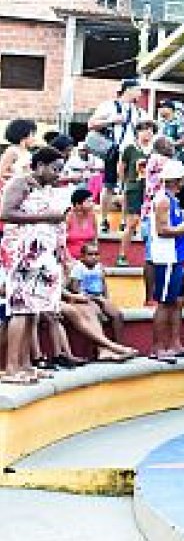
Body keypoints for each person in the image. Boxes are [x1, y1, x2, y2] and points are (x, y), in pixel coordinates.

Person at [1, 147, 70, 384]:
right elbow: (6, 213)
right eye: (54, 169)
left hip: (41, 258)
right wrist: (45, 218)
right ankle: (11, 368)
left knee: (32, 311)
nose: (58, 175)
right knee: (20, 309)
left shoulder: (45, 189)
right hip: (22, 256)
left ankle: (25, 364)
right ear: (39, 165)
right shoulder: (20, 183)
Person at [147, 161, 184, 361]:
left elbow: (175, 224)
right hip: (167, 258)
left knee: (179, 300)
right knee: (165, 302)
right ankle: (158, 347)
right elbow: (163, 230)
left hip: (176, 256)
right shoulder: (163, 200)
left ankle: (174, 343)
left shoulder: (171, 199)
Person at [88, 81, 147, 233]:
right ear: (128, 90)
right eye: (137, 89)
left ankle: (124, 221)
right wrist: (110, 120)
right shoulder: (109, 106)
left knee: (128, 187)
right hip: (113, 150)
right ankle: (103, 219)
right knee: (109, 185)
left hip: (132, 153)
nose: (139, 93)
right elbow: (91, 124)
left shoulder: (139, 111)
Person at [116, 119, 157, 265]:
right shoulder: (130, 149)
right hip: (134, 188)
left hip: (152, 191)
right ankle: (122, 255)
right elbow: (121, 168)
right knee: (132, 223)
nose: (148, 133)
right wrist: (122, 186)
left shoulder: (156, 149)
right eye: (144, 129)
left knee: (152, 224)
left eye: (151, 130)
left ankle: (151, 257)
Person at [67, 241, 125, 345]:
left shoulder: (99, 267)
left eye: (96, 254)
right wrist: (89, 297)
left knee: (117, 314)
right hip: (85, 298)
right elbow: (74, 288)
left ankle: (119, 343)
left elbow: (103, 284)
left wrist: (106, 298)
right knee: (97, 314)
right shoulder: (78, 268)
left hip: (99, 296)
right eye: (90, 254)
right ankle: (101, 345)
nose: (94, 257)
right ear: (82, 257)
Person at [0, 118, 38, 189]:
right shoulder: (12, 151)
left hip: (23, 189)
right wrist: (18, 176)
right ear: (23, 135)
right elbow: (1, 173)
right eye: (32, 135)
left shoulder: (27, 153)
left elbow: (28, 174)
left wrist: (39, 187)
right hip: (11, 190)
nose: (34, 138)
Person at [64, 187, 99, 261]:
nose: (92, 204)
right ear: (78, 204)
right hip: (69, 258)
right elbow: (62, 244)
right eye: (89, 201)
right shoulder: (68, 217)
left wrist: (93, 257)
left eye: (92, 201)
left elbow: (95, 240)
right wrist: (70, 260)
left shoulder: (92, 216)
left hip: (88, 259)